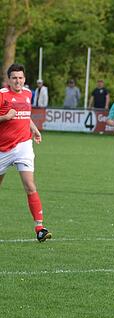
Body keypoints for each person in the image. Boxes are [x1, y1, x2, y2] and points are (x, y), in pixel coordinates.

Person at [0, 64, 51, 242]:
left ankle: (40, 227)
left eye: (20, 77)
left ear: (24, 78)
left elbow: (25, 115)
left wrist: (34, 129)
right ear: (9, 79)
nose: (18, 81)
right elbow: (8, 116)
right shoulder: (2, 94)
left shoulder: (28, 94)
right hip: (2, 148)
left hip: (23, 145)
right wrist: (5, 117)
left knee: (30, 185)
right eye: (14, 78)